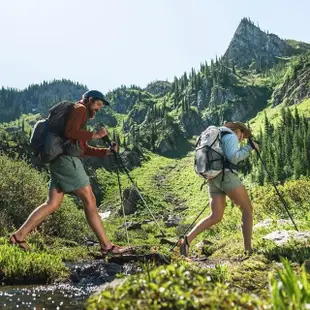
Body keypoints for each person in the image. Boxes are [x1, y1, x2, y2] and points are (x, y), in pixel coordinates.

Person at [10, 90, 130, 256]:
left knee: (52, 203)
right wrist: (96, 135)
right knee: (90, 200)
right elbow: (70, 133)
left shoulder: (79, 116)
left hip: (57, 161)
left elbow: (82, 148)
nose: (98, 109)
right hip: (65, 161)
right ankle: (107, 247)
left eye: (101, 106)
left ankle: (18, 236)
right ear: (89, 100)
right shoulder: (79, 109)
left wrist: (105, 152)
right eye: (97, 104)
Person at [179, 121, 259, 256]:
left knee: (215, 216)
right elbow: (233, 158)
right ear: (238, 130)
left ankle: (186, 240)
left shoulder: (218, 136)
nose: (242, 139)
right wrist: (249, 148)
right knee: (247, 209)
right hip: (226, 177)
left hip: (212, 178)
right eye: (243, 136)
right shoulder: (231, 136)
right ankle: (248, 250)